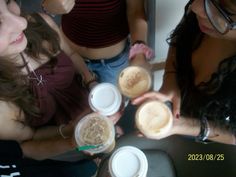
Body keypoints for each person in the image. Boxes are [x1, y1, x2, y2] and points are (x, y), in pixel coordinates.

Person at [0, 0, 106, 160]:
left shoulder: (39, 23)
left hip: (88, 104)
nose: (22, 22)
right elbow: (30, 142)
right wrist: (73, 135)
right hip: (61, 147)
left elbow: (71, 54)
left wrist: (91, 82)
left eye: (8, 2)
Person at [132, 0, 236, 145]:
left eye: (224, 9)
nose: (195, 7)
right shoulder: (200, 8)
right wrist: (170, 78)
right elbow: (180, 37)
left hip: (207, 137)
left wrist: (183, 126)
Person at [41, 0, 154, 86]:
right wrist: (49, 5)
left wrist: (139, 51)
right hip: (68, 54)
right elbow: (47, 4)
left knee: (109, 111)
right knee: (75, 108)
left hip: (111, 64)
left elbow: (135, 11)